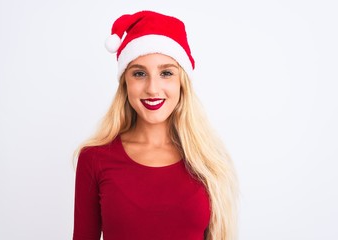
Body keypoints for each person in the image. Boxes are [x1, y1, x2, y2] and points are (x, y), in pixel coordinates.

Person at [72, 10, 239, 240]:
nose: (152, 88)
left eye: (166, 73)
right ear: (125, 84)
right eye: (139, 73)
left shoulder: (209, 160)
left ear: (182, 82)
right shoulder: (94, 158)